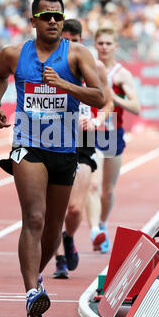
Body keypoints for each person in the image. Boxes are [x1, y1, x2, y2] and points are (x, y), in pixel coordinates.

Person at [0, 0, 105, 317]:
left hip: (65, 147)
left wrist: (67, 85)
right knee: (35, 218)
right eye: (46, 15)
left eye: (58, 16)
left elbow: (99, 96)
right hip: (28, 144)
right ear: (33, 21)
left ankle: (36, 277)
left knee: (54, 230)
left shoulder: (78, 54)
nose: (53, 21)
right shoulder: (14, 54)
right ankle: (31, 294)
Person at [53, 18, 112, 279]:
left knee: (75, 208)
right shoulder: (48, 64)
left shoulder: (94, 65)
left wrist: (98, 119)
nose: (70, 47)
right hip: (52, 135)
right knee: (52, 206)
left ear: (81, 40)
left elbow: (108, 101)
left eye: (74, 42)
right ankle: (59, 259)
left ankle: (68, 237)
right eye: (65, 42)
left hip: (84, 138)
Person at [85, 27, 141, 253]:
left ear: (116, 46)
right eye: (100, 43)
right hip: (90, 132)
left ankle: (103, 224)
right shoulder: (87, 69)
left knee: (107, 190)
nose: (104, 48)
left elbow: (136, 107)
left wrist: (113, 97)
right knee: (93, 185)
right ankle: (95, 231)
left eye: (109, 43)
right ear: (95, 45)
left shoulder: (121, 74)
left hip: (112, 134)